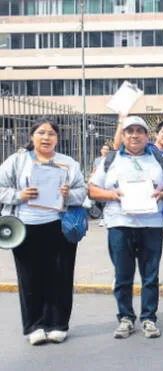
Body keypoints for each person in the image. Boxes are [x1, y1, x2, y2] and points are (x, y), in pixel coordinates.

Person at [0, 117, 87, 345]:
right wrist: (19, 196)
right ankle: (34, 325)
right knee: (30, 278)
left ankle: (58, 324)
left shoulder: (68, 163)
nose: (46, 137)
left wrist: (69, 194)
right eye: (41, 133)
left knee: (60, 276)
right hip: (25, 228)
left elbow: (83, 191)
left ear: (57, 138)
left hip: (59, 226)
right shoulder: (17, 161)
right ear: (32, 136)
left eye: (51, 133)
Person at [89, 116, 163, 340]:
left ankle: (148, 318)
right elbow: (92, 190)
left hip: (151, 224)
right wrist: (111, 195)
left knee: (150, 276)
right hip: (119, 224)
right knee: (123, 275)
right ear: (123, 136)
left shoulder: (158, 159)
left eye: (139, 131)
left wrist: (162, 194)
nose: (134, 135)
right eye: (130, 131)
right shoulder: (111, 159)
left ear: (148, 136)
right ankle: (126, 318)